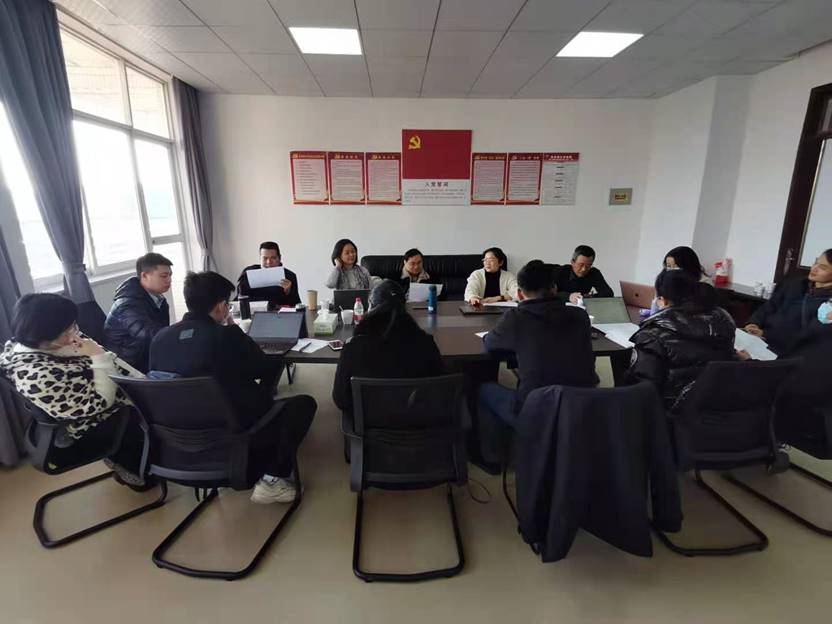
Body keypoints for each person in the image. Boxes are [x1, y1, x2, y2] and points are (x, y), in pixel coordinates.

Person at [150, 271, 314, 504]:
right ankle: (272, 480)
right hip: (233, 434)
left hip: (181, 443)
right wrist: (235, 331)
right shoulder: (226, 336)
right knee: (303, 404)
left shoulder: (160, 339)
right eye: (227, 303)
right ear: (220, 306)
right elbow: (264, 369)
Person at [0, 293, 147, 486]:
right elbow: (100, 403)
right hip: (94, 423)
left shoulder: (54, 341)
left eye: (73, 325)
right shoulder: (37, 375)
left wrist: (142, 381)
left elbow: (113, 361)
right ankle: (132, 465)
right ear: (44, 337)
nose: (75, 333)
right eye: (67, 330)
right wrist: (98, 356)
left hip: (118, 392)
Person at [478, 260, 597, 464]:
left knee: (485, 390)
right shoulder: (580, 316)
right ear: (554, 288)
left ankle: (493, 458)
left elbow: (490, 345)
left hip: (537, 410)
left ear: (520, 294)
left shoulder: (516, 317)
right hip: (582, 406)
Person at [332, 280, 443, 423]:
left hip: (368, 423)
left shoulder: (353, 347)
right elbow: (439, 388)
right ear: (404, 307)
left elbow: (341, 399)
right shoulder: (426, 343)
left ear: (370, 307)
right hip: (418, 421)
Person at [626, 269, 736, 410]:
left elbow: (641, 387)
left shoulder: (653, 333)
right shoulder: (723, 321)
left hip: (669, 412)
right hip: (719, 407)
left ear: (663, 300)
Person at [744, 249, 832, 354]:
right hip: (760, 338)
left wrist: (766, 334)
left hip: (788, 351)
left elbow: (811, 336)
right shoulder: (795, 284)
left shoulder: (829, 305)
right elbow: (769, 306)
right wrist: (754, 323)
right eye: (816, 262)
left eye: (823, 267)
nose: (814, 268)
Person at [104, 252, 172, 372]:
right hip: (127, 366)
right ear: (144, 275)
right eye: (164, 276)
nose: (169, 280)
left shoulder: (159, 300)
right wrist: (179, 332)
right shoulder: (127, 304)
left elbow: (161, 333)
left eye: (170, 275)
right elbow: (149, 335)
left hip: (146, 357)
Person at [236, 241, 301, 309]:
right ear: (260, 258)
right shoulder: (248, 273)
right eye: (265, 258)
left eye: (273, 258)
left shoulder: (290, 276)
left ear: (279, 258)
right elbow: (239, 300)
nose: (269, 262)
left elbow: (297, 306)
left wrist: (288, 292)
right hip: (253, 312)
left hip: (279, 314)